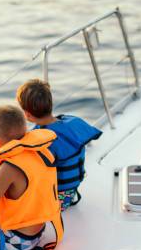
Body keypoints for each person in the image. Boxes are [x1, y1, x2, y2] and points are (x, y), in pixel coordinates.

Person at [0, 104, 63, 250]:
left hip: (17, 241)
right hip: (37, 230)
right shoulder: (38, 151)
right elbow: (3, 154)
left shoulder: (8, 169)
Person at [16, 79, 102, 210]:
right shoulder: (71, 123)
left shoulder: (36, 140)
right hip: (71, 192)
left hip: (55, 201)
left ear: (27, 114)